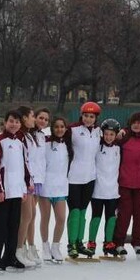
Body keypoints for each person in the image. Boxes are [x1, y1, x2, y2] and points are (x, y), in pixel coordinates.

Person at [0, 110, 32, 273]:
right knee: (0, 227)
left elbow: (25, 164)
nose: (14, 124)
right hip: (4, 192)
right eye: (11, 121)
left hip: (17, 190)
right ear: (5, 123)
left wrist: (26, 185)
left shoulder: (21, 141)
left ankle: (10, 257)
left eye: (17, 122)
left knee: (14, 226)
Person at [114, 112, 140, 257]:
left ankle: (138, 242)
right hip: (124, 183)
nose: (137, 125)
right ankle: (118, 242)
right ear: (130, 124)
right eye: (134, 122)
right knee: (124, 214)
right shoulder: (124, 138)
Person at [66, 102, 102, 258]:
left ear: (96, 118)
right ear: (81, 116)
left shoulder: (99, 132)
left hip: (90, 177)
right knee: (74, 211)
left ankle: (80, 242)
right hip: (73, 177)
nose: (88, 119)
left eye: (91, 116)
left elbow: (113, 136)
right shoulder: (72, 130)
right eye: (86, 116)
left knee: (83, 211)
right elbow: (57, 136)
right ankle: (71, 243)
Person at [88, 119, 121, 257]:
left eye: (111, 134)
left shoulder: (119, 149)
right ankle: (91, 243)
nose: (108, 137)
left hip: (113, 191)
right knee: (96, 217)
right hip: (97, 190)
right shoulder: (96, 147)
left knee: (111, 218)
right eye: (106, 134)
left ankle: (108, 243)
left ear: (116, 135)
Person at [40, 117, 70, 263]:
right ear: (52, 128)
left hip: (61, 187)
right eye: (56, 127)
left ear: (65, 128)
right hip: (46, 187)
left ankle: (55, 246)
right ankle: (45, 246)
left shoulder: (69, 144)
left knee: (61, 218)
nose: (59, 129)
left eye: (62, 126)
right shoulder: (45, 143)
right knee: (45, 218)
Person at [22, 107, 50, 264]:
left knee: (32, 216)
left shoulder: (42, 136)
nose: (43, 121)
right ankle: (25, 246)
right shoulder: (26, 135)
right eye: (40, 117)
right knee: (28, 216)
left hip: (39, 180)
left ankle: (31, 245)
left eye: (46, 119)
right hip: (29, 180)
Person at [15, 106, 39, 268]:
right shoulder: (20, 136)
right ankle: (18, 249)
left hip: (30, 181)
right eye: (32, 116)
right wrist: (26, 181)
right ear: (24, 118)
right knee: (26, 217)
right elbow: (22, 161)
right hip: (23, 183)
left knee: (30, 216)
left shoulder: (29, 136)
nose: (34, 119)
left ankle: (23, 248)